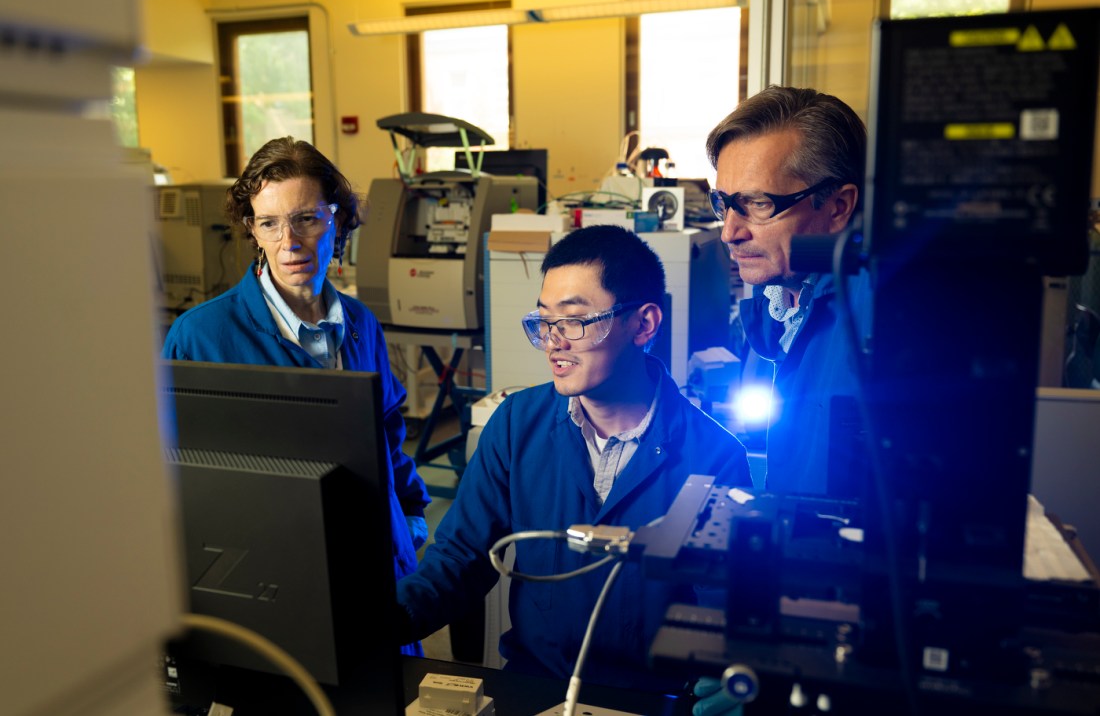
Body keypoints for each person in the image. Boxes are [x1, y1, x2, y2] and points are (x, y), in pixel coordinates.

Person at [395, 225, 752, 698]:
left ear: (643, 324)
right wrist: (386, 620)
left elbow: (725, 612)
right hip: (534, 686)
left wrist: (726, 681)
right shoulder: (516, 424)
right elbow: (462, 559)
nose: (553, 342)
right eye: (544, 322)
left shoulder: (715, 458)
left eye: (574, 321)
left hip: (651, 700)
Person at [162, 136, 432, 657]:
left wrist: (413, 514)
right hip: (272, 585)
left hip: (375, 567)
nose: (289, 241)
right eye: (269, 223)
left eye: (307, 218)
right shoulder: (200, 337)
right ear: (253, 230)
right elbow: (182, 483)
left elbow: (387, 433)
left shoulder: (359, 325)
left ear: (338, 220)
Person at [706, 85, 870, 497]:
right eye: (723, 203)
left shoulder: (883, 319)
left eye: (758, 204)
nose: (730, 231)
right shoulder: (772, 304)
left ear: (837, 207)